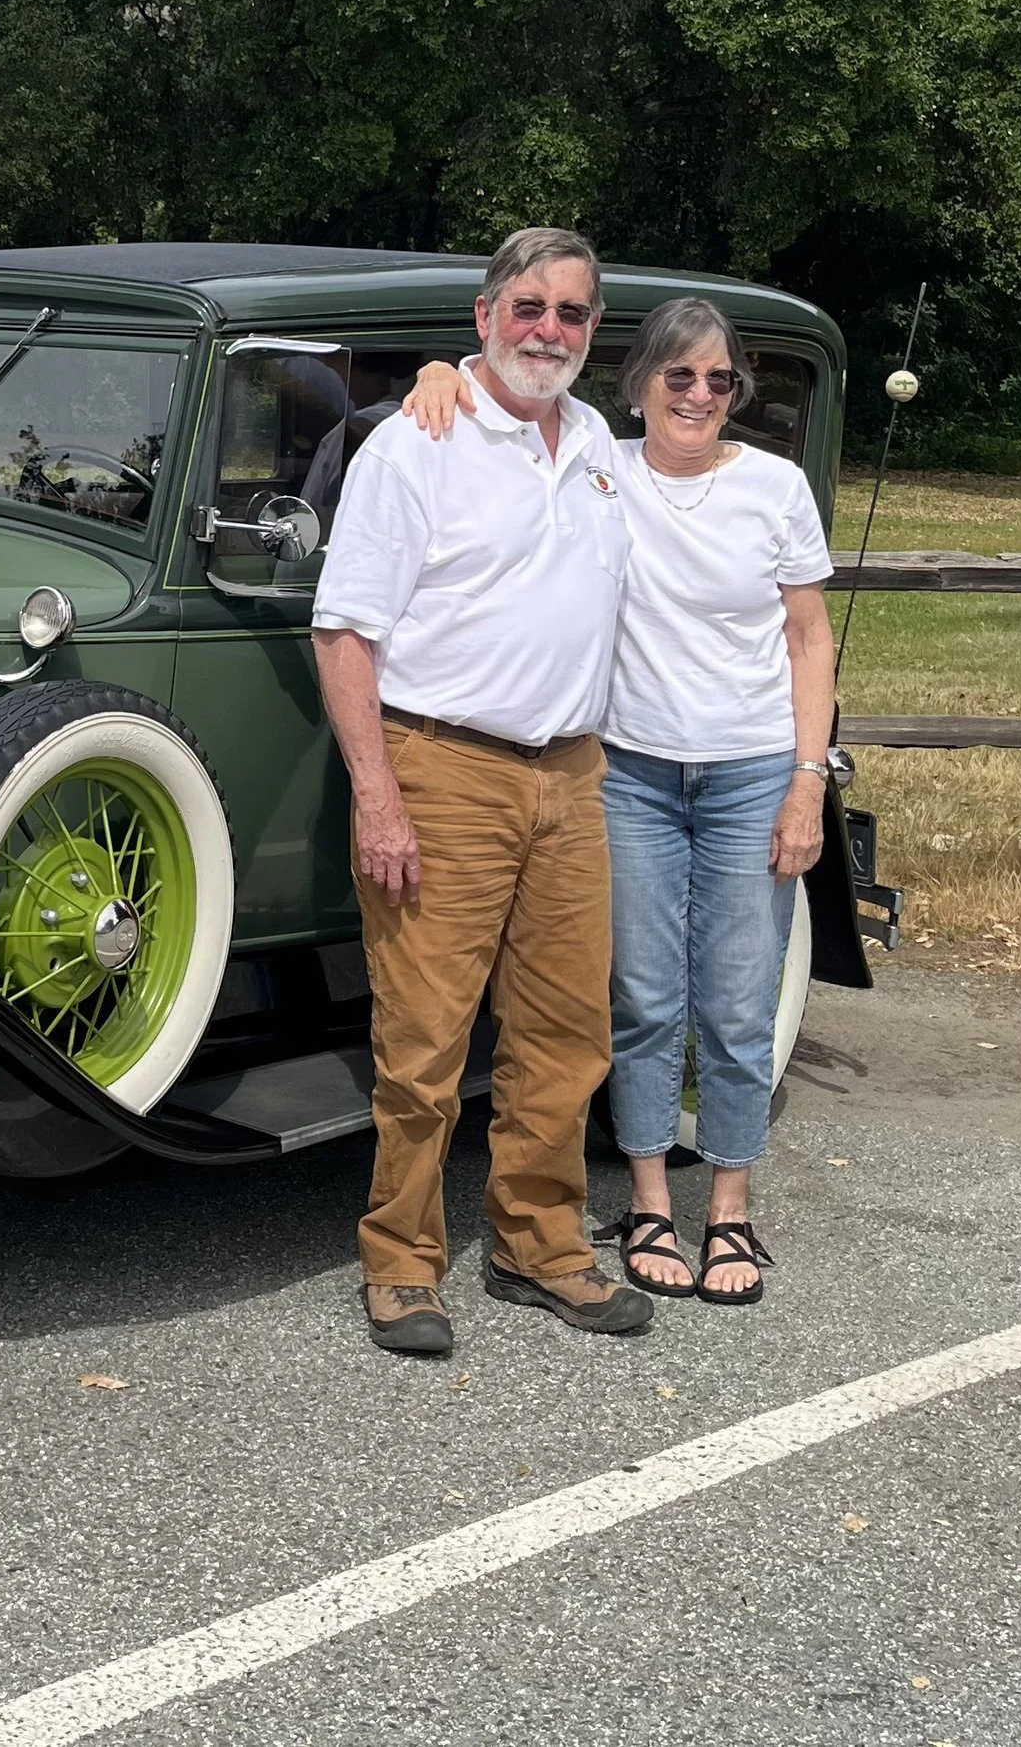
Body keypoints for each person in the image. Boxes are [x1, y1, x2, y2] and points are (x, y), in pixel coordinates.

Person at [402, 296, 835, 1305]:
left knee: (735, 1001)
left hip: (749, 766)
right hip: (629, 768)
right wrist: (438, 376)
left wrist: (806, 780)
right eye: (676, 376)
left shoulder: (773, 487)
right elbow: (509, 396)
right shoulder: (602, 463)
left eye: (718, 379)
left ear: (737, 393)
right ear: (637, 382)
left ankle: (727, 1210)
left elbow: (808, 640)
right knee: (638, 1000)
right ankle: (646, 1199)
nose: (696, 395)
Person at [311, 227, 654, 1357]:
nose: (548, 330)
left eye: (571, 313)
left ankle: (540, 1246)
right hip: (443, 763)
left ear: (592, 333)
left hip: (571, 767)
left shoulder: (601, 439)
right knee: (424, 1038)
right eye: (529, 308)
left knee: (565, 1032)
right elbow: (346, 633)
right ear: (484, 316)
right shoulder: (418, 444)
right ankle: (401, 1264)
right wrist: (378, 794)